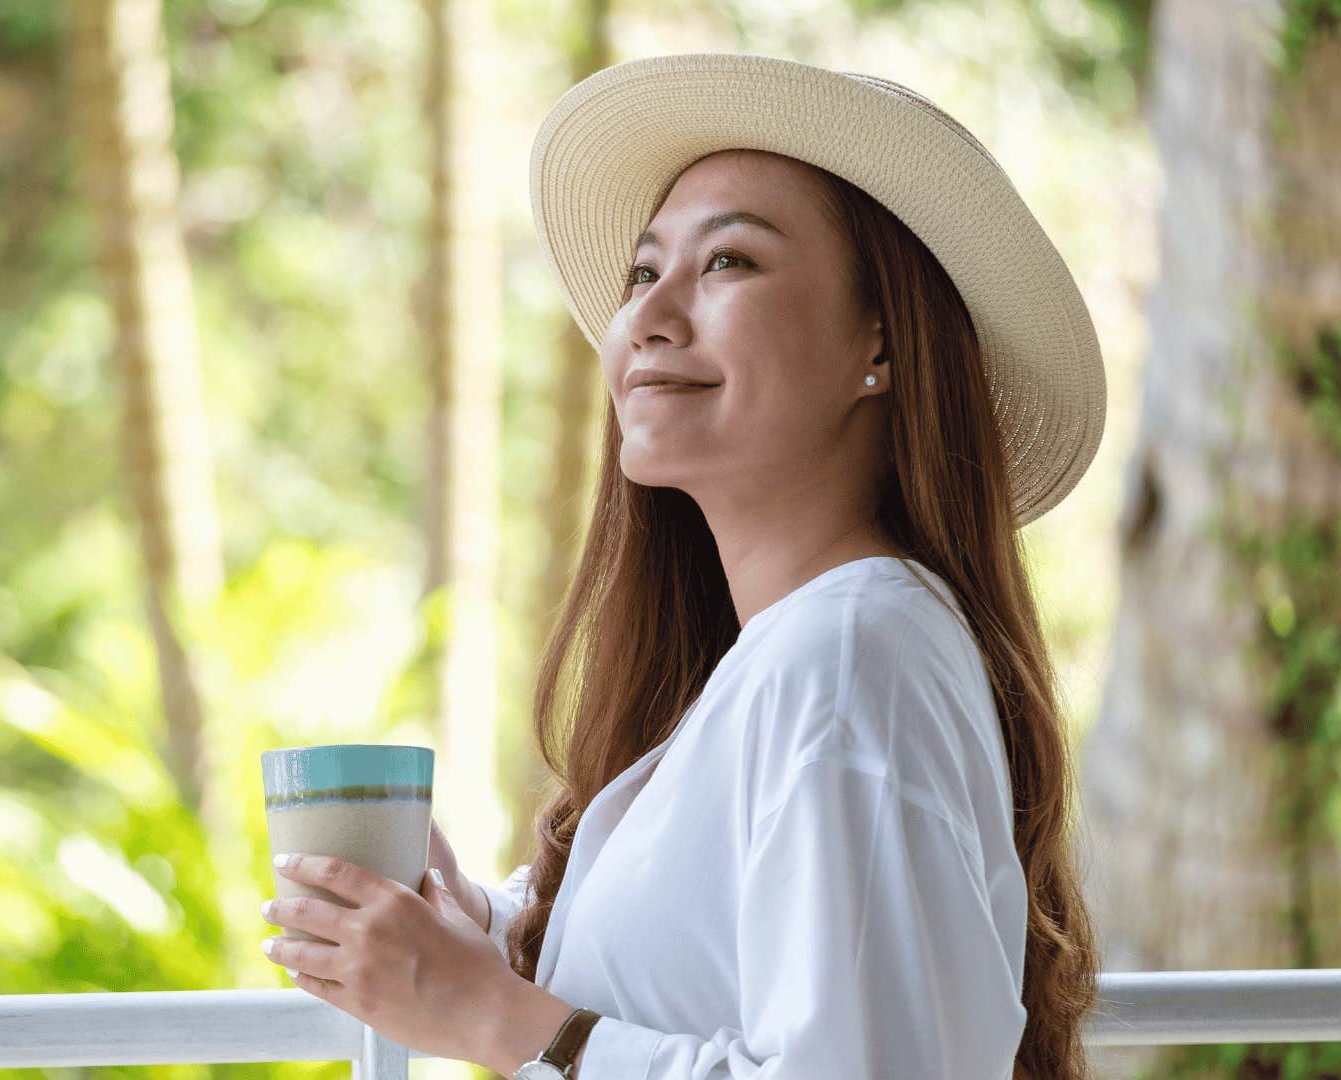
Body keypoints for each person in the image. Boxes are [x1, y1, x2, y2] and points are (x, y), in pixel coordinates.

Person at [450, 52, 1107, 1079]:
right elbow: (709, 978)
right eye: (641, 272)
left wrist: (495, 1022)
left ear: (877, 343)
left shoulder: (850, 654)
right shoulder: (783, 662)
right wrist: (477, 930)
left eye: (727, 264)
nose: (650, 317)